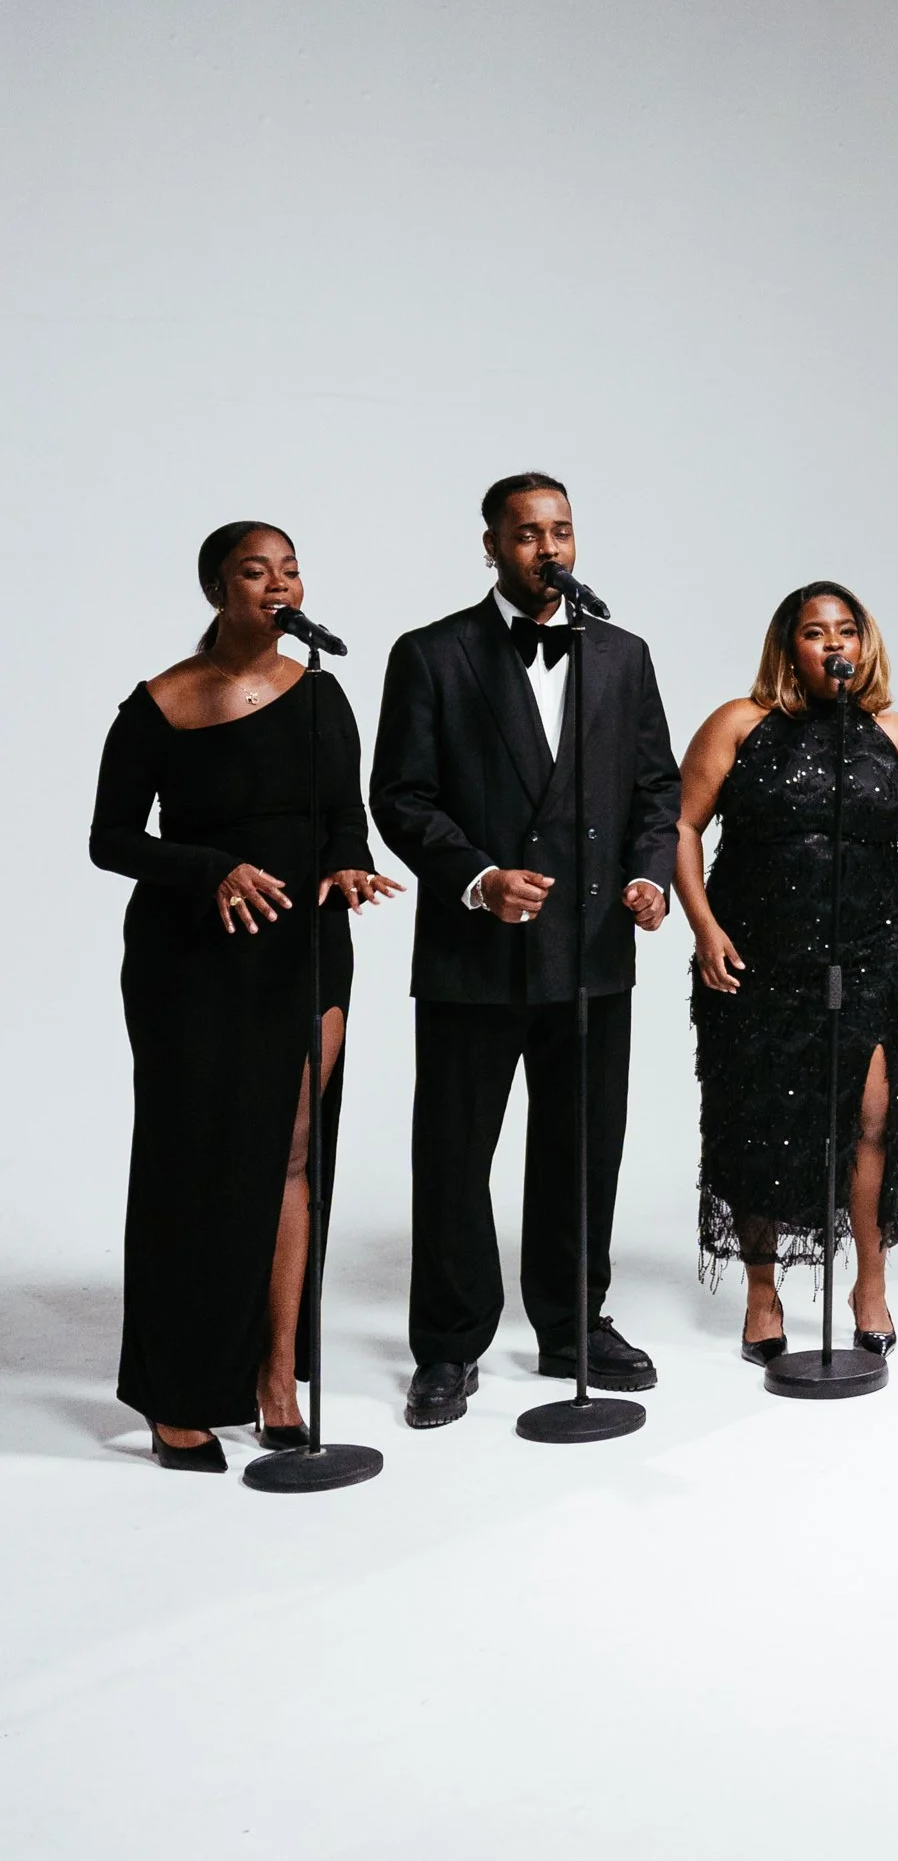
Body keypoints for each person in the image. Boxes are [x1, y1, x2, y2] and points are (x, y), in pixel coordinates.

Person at [89, 523, 398, 1471]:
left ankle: (275, 1376)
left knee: (295, 1152)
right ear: (218, 589)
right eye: (255, 571)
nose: (278, 583)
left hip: (305, 947)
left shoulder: (324, 694)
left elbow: (346, 814)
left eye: (290, 568)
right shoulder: (157, 705)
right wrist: (213, 867)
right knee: (192, 1162)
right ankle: (176, 1391)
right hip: (193, 955)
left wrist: (351, 864)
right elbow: (112, 841)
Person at [371, 475, 678, 1427]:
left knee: (584, 1150)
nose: (549, 548)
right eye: (527, 534)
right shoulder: (432, 654)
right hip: (475, 955)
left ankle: (572, 1326)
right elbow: (401, 798)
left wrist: (650, 876)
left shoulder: (621, 655)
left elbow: (656, 789)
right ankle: (450, 1346)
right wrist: (475, 878)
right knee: (455, 1156)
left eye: (562, 531)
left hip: (590, 951)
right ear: (492, 547)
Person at [675, 583, 898, 1362]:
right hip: (755, 960)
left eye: (847, 632)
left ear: (864, 646)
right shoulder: (740, 724)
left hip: (867, 955)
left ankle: (869, 1281)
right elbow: (683, 825)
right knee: (760, 1125)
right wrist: (704, 926)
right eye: (814, 633)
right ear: (787, 647)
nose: (835, 645)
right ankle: (762, 1292)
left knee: (869, 1120)